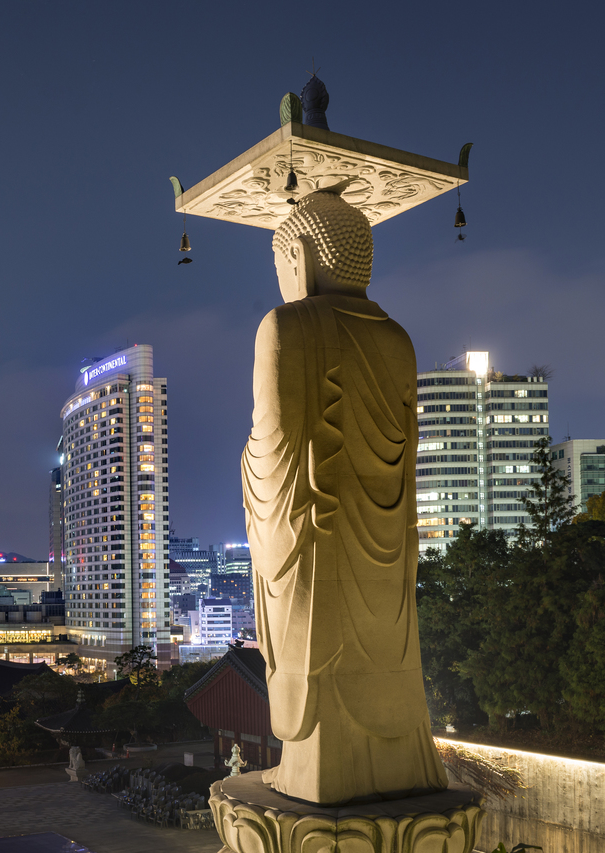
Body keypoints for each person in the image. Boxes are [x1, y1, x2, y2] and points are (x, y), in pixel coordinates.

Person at [242, 190, 447, 806]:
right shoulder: (399, 339)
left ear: (300, 258)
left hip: (315, 535)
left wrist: (247, 466)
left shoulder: (285, 326)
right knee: (385, 650)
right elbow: (405, 463)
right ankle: (400, 766)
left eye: (281, 266)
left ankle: (316, 771)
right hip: (386, 547)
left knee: (315, 654)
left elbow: (274, 445)